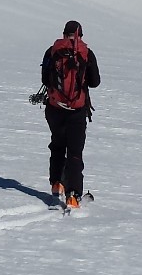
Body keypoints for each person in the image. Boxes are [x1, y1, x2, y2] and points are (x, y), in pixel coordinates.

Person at [41, 20, 99, 209]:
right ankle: (73, 195)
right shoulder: (86, 53)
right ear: (80, 35)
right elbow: (95, 82)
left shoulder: (52, 50)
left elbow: (44, 78)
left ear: (64, 34)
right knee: (74, 152)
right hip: (77, 111)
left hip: (54, 109)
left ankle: (56, 183)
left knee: (57, 144)